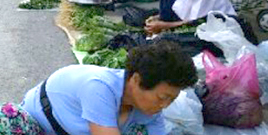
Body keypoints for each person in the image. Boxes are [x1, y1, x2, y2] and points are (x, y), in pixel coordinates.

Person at [15, 41, 197, 135]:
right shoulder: (99, 88)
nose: (164, 105)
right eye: (162, 97)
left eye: (171, 100)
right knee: (6, 116)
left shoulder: (151, 111)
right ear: (136, 79)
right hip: (40, 127)